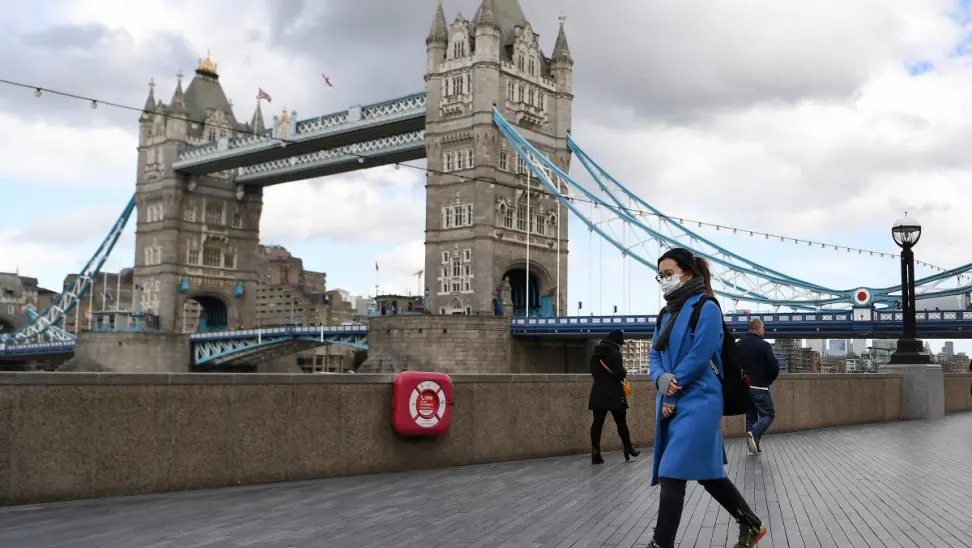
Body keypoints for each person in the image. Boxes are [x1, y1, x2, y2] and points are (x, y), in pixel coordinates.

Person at [647, 248, 766, 548]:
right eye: (660, 275)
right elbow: (654, 354)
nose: (664, 279)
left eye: (669, 273)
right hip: (672, 401)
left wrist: (674, 382)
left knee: (672, 473)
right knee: (707, 473)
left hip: (700, 401)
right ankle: (751, 524)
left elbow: (701, 353)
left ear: (687, 272)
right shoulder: (666, 313)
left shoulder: (706, 307)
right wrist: (660, 379)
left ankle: (660, 545)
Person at [588, 329, 639, 464]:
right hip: (614, 393)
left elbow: (593, 371)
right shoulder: (614, 352)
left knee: (597, 422)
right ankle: (628, 447)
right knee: (621, 422)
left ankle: (595, 451)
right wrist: (624, 371)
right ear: (618, 340)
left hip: (598, 391)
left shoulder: (597, 352)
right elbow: (620, 373)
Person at [734, 318, 780, 456]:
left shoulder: (738, 345)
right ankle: (753, 434)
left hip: (744, 386)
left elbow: (733, 367)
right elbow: (774, 367)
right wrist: (768, 379)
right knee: (768, 414)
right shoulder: (764, 345)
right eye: (763, 328)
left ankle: (754, 447)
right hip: (759, 386)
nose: (764, 331)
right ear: (759, 328)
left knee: (751, 416)